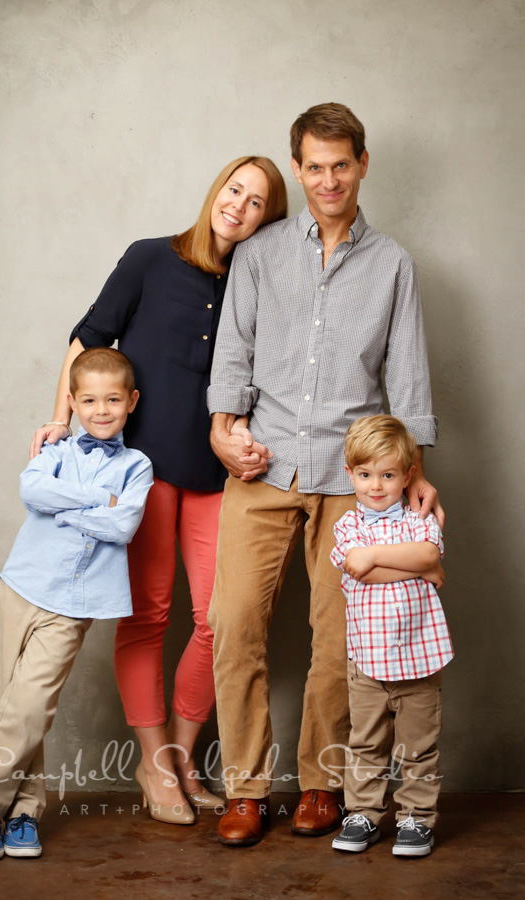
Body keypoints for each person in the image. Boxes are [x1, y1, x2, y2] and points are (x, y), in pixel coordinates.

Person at [207, 102, 444, 846]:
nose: (327, 178)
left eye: (341, 164)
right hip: (264, 464)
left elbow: (405, 376)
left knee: (339, 641)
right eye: (313, 165)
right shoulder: (260, 253)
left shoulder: (392, 264)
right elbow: (233, 354)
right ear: (299, 168)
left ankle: (322, 783)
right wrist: (222, 429)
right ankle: (243, 790)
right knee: (232, 624)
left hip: (355, 482)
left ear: (361, 164)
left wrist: (414, 472)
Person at [29, 158, 288, 824]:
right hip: (138, 473)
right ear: (215, 191)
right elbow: (89, 338)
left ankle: (178, 753)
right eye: (234, 189)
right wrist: (60, 419)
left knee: (215, 620)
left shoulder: (259, 282)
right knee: (148, 616)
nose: (239, 205)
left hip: (214, 475)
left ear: (268, 218)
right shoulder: (149, 259)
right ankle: (151, 764)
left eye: (256, 201)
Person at [0, 348, 153, 859]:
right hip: (22, 585)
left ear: (131, 402)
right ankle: (24, 815)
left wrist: (68, 505)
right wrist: (97, 501)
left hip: (76, 601)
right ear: (71, 402)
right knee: (12, 706)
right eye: (88, 400)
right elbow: (32, 492)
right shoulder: (55, 449)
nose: (100, 410)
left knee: (29, 707)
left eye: (112, 399)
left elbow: (124, 526)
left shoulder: (137, 467)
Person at [330, 415, 453, 857]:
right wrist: (422, 569)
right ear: (351, 475)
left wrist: (379, 556)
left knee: (419, 746)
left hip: (419, 658)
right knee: (366, 742)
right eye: (365, 475)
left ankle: (417, 820)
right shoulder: (346, 528)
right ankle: (362, 812)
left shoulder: (419, 519)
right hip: (368, 660)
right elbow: (356, 568)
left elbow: (422, 553)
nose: (376, 486)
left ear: (407, 476)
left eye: (387, 475)